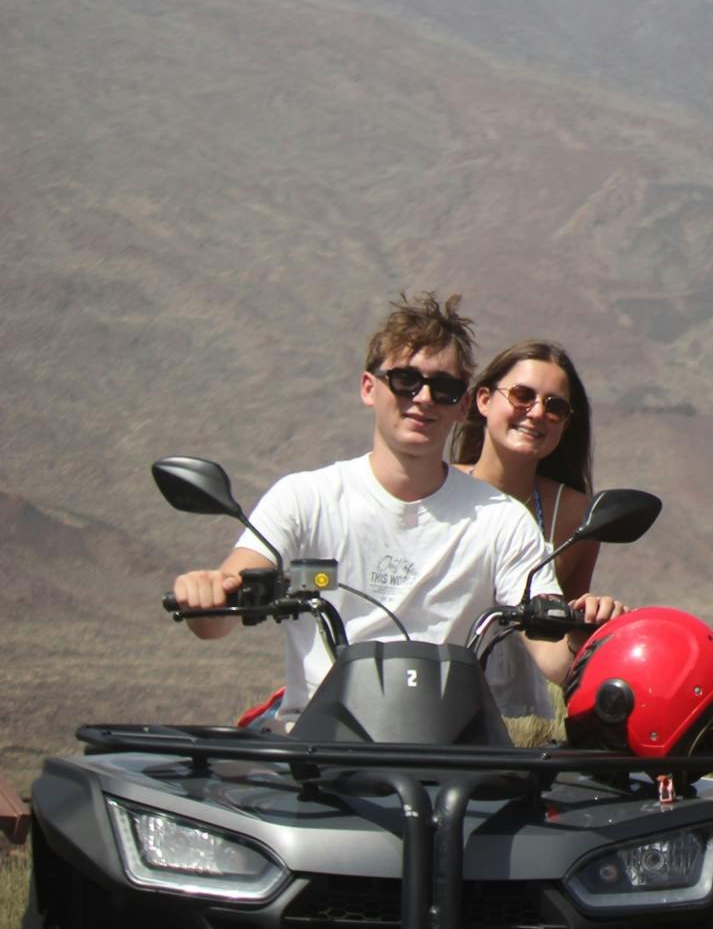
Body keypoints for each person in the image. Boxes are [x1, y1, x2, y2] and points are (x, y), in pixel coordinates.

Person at [170, 293, 625, 730]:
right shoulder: (304, 498)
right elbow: (219, 617)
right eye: (406, 381)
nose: (423, 398)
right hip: (316, 745)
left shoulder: (502, 521)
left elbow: (552, 657)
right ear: (369, 388)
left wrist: (585, 636)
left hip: (453, 752)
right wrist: (206, 593)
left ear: (463, 404)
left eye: (443, 388)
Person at [449, 338, 599, 718]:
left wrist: (592, 622)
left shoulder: (575, 516)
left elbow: (567, 652)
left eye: (555, 406)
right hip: (428, 699)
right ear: (484, 400)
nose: (536, 413)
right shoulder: (437, 488)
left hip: (518, 722)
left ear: (566, 424)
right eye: (522, 395)